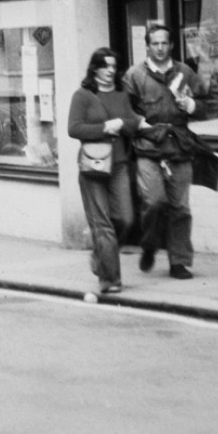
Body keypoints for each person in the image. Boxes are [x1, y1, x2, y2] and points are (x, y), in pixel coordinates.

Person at [122, 24, 202, 279]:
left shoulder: (185, 72)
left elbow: (204, 105)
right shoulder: (134, 75)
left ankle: (179, 262)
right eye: (155, 43)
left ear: (171, 45)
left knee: (181, 207)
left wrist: (191, 104)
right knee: (154, 201)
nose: (160, 48)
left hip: (179, 145)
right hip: (148, 146)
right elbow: (124, 110)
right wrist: (140, 123)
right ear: (147, 46)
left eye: (164, 43)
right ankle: (149, 244)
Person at [68, 47, 145, 295]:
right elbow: (74, 129)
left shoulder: (121, 95)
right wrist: (104, 128)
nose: (111, 71)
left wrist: (123, 124)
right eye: (106, 66)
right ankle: (110, 279)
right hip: (94, 167)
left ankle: (100, 255)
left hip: (120, 165)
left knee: (126, 218)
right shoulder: (83, 95)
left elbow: (134, 122)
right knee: (103, 225)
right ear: (95, 68)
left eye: (114, 67)